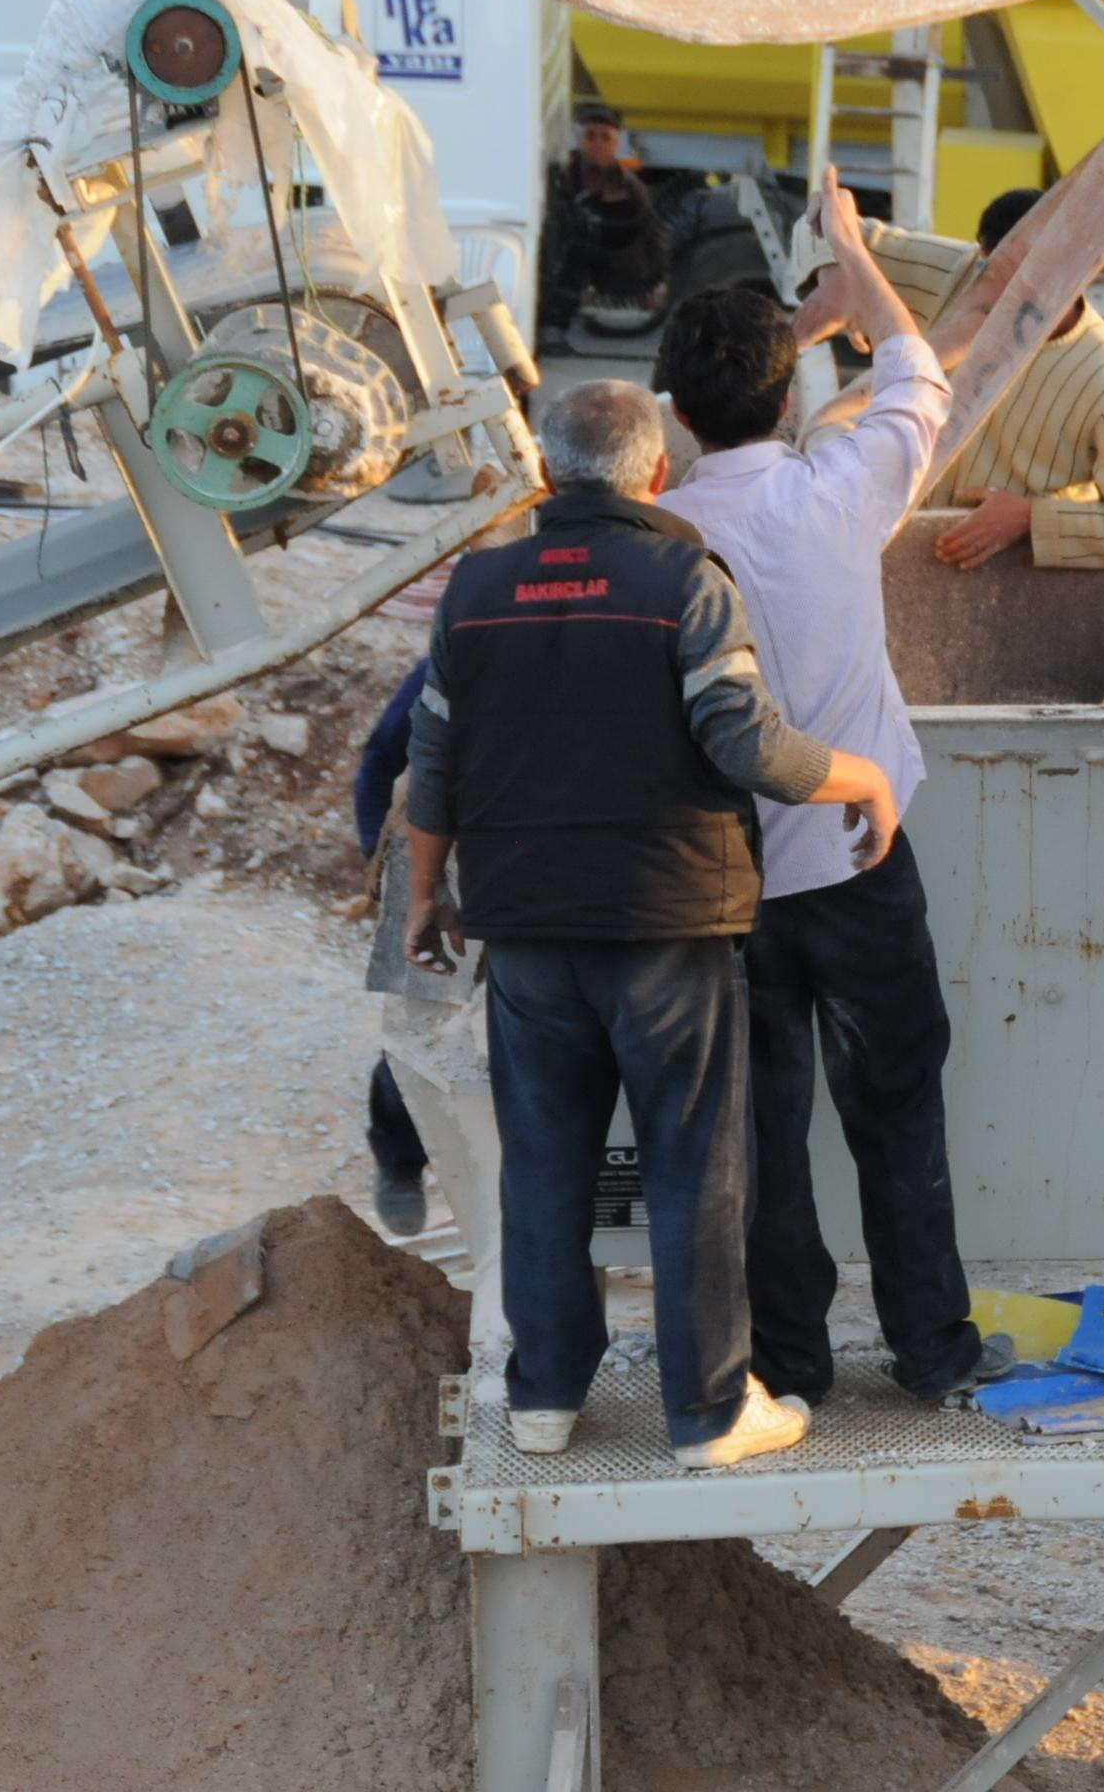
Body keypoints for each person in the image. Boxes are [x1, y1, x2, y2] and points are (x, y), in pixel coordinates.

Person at [401, 377, 902, 1471]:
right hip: (668, 924)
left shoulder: (476, 589)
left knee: (543, 1166)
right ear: (657, 473)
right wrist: (864, 778)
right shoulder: (681, 577)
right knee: (693, 1169)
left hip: (528, 929)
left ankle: (542, 1398)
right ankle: (710, 1412)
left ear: (545, 473)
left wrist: (426, 894)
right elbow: (744, 742)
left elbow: (429, 763)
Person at [654, 167, 1008, 1411]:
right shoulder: (839, 488)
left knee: (757, 1135)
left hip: (723, 883)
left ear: (684, 414)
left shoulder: (663, 532)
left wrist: (765, 341)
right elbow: (917, 366)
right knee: (898, 1105)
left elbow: (639, 428)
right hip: (859, 856)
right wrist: (850, 250)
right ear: (794, 388)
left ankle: (789, 1360)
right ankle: (929, 1348)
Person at [851, 187, 1104, 570]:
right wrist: (839, 283)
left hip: (986, 598)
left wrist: (1030, 518)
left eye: (1002, 275)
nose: (984, 289)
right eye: (984, 270)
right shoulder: (960, 275)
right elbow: (827, 225)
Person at [352, 656, 433, 1234]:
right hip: (437, 861)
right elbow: (383, 753)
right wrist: (381, 858)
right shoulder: (462, 646)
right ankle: (401, 1165)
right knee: (418, 1027)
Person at [539, 102, 670, 335]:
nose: (597, 144)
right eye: (591, 136)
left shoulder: (631, 188)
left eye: (605, 138)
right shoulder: (564, 178)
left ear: (615, 144)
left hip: (618, 270)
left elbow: (640, 234)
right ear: (580, 141)